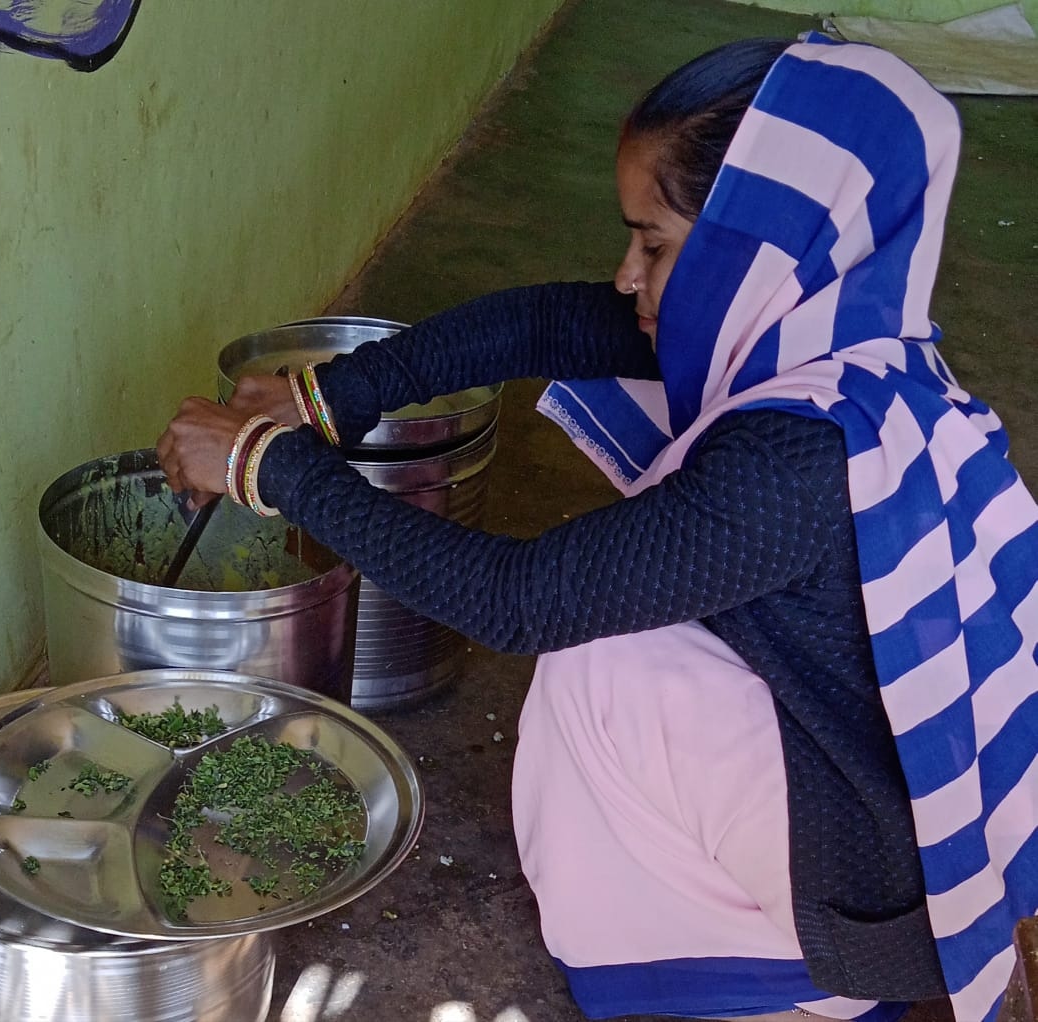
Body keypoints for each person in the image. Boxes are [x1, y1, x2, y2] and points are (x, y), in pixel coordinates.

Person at [157, 34, 1038, 1022]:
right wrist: (330, 396)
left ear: (758, 246)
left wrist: (264, 464)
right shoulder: (834, 333)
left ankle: (780, 985)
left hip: (872, 894)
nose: (627, 275)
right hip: (899, 805)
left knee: (602, 659)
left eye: (654, 244)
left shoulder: (798, 460)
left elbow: (519, 599)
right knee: (631, 618)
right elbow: (551, 322)